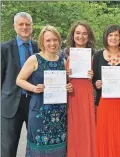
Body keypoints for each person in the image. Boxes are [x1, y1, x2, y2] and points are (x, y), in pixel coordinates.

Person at [16, 25, 73, 157]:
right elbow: (19, 80)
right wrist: (34, 88)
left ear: (59, 41)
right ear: (42, 42)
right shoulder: (35, 59)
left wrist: (68, 87)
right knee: (38, 148)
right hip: (39, 113)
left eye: (55, 40)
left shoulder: (63, 62)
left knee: (59, 148)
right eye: (48, 40)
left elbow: (64, 84)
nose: (52, 43)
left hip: (60, 114)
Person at [92, 24, 120, 157]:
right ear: (106, 37)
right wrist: (97, 84)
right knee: (105, 136)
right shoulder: (98, 55)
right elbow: (94, 79)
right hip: (105, 103)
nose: (113, 38)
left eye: (116, 35)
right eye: (110, 35)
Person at [1, 12, 39, 157]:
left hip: (34, 103)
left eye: (27, 24)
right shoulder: (4, 48)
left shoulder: (39, 47)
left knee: (35, 145)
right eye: (21, 24)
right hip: (11, 104)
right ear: (14, 26)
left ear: (32, 26)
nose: (24, 27)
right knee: (8, 147)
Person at [65, 20, 96, 157]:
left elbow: (101, 81)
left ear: (89, 36)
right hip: (72, 97)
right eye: (78, 33)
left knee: (89, 130)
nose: (81, 36)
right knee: (74, 131)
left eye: (84, 33)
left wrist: (93, 77)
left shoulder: (96, 55)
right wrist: (65, 78)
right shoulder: (63, 55)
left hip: (88, 97)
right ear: (73, 35)